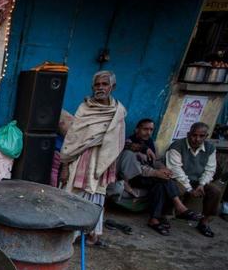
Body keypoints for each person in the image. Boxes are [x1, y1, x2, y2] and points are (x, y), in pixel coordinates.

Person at [59, 71, 126, 246]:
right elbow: (72, 139)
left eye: (104, 84)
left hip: (102, 162)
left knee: (96, 197)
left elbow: (116, 143)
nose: (101, 88)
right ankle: (68, 235)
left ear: (112, 87)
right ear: (92, 87)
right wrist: (65, 166)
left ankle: (90, 234)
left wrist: (110, 166)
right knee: (73, 196)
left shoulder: (118, 112)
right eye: (97, 85)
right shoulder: (85, 109)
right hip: (81, 159)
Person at [116, 118, 198, 236]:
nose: (148, 132)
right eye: (145, 129)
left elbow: (156, 160)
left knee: (162, 183)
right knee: (162, 180)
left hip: (148, 176)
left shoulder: (151, 143)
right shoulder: (129, 144)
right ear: (137, 130)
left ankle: (154, 219)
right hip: (133, 177)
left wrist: (163, 169)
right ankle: (179, 207)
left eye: (151, 130)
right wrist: (156, 173)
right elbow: (137, 167)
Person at [166, 122, 221, 237]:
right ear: (188, 134)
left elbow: (210, 170)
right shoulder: (177, 146)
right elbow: (176, 170)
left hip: (198, 180)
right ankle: (167, 216)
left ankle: (204, 222)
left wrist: (202, 184)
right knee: (176, 189)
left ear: (206, 136)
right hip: (180, 179)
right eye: (194, 135)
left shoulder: (210, 148)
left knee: (215, 191)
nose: (197, 139)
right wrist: (190, 189)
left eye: (201, 136)